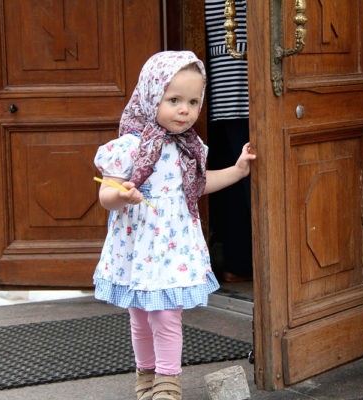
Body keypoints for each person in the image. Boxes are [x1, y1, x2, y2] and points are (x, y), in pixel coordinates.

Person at [93, 51, 256, 400]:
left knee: (166, 315)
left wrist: (238, 170)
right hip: (138, 248)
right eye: (174, 100)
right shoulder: (129, 147)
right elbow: (106, 194)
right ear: (151, 96)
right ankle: (146, 375)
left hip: (172, 249)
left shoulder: (189, 148)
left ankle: (168, 382)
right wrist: (123, 196)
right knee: (140, 317)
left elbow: (198, 187)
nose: (185, 110)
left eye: (193, 102)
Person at [205, 0, 253, 282]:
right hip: (221, 89)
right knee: (233, 181)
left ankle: (240, 263)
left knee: (241, 180)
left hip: (240, 87)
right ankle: (238, 262)